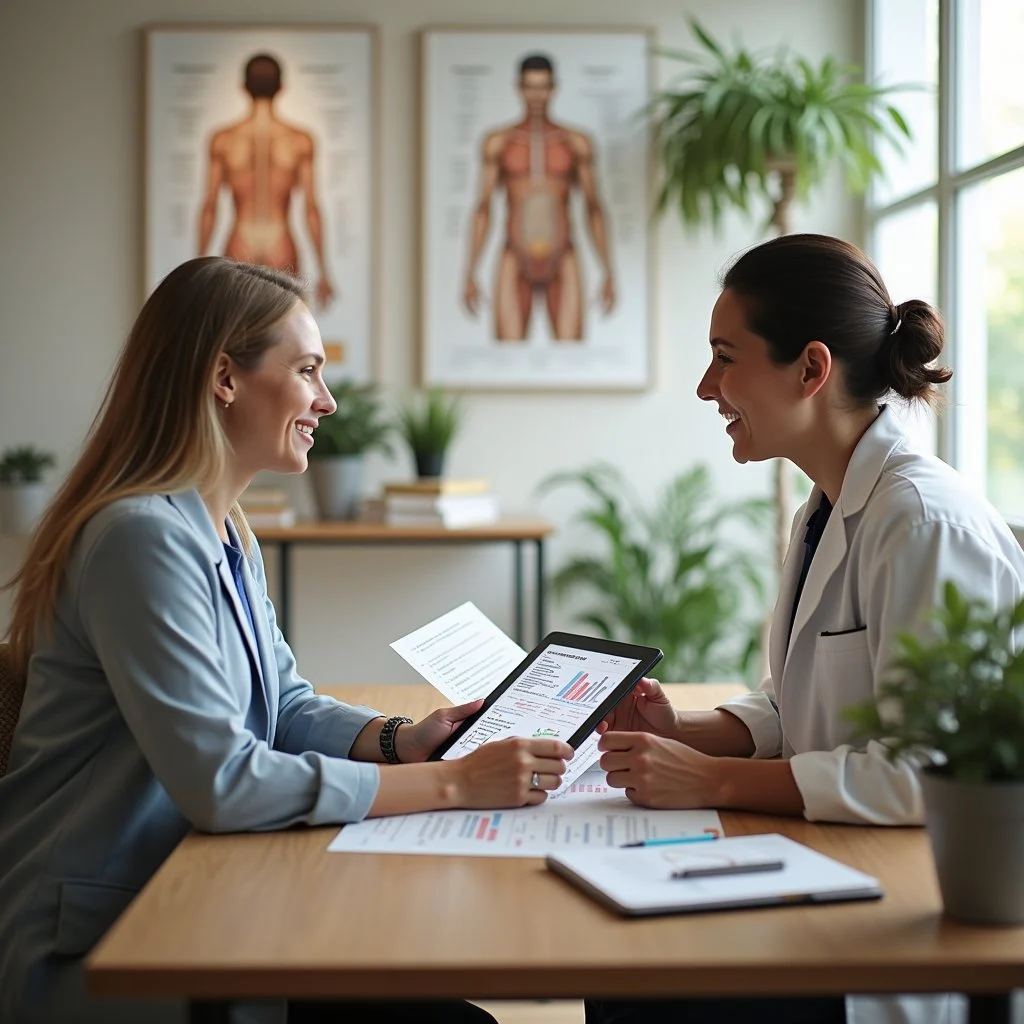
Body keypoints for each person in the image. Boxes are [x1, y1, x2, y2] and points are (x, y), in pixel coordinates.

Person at [0, 257, 572, 1024]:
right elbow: (224, 781)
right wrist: (453, 785)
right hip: (106, 939)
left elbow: (283, 704)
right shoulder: (140, 540)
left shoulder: (223, 528)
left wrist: (401, 739)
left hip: (192, 894)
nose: (326, 402)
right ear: (224, 378)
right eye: (307, 371)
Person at [590, 234, 1024, 1024]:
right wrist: (688, 731)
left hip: (906, 922)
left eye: (725, 357)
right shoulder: (823, 510)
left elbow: (924, 770)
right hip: (830, 868)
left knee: (639, 992)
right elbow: (800, 705)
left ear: (811, 370)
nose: (705, 387)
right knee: (624, 968)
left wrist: (713, 782)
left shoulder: (923, 522)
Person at [462, 53, 616, 342]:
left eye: (542, 87)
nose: (536, 95)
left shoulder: (574, 142)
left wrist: (608, 272)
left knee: (571, 352)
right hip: (514, 253)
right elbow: (483, 207)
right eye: (530, 87)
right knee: (507, 353)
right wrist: (470, 272)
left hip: (563, 254)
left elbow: (594, 207)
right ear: (519, 88)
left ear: (553, 88)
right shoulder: (499, 142)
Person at [198, 54, 336, 310]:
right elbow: (312, 208)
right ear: (281, 88)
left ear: (243, 87)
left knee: (235, 333)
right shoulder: (300, 140)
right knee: (283, 330)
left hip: (239, 239)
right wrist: (324, 270)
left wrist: (196, 269)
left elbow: (210, 207)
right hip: (281, 241)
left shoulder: (223, 139)